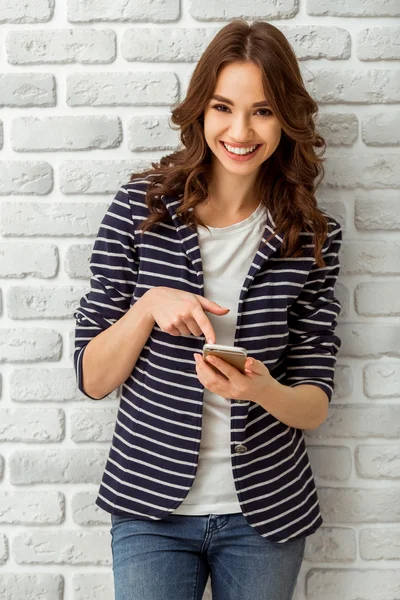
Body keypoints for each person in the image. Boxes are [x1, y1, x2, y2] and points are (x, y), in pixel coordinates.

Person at [73, 19, 342, 600]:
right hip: (150, 513)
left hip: (265, 518)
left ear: (286, 121)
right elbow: (93, 379)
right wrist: (148, 306)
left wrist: (261, 390)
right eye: (223, 107)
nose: (240, 130)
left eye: (263, 111)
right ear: (201, 111)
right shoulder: (141, 210)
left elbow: (315, 404)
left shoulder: (311, 237)